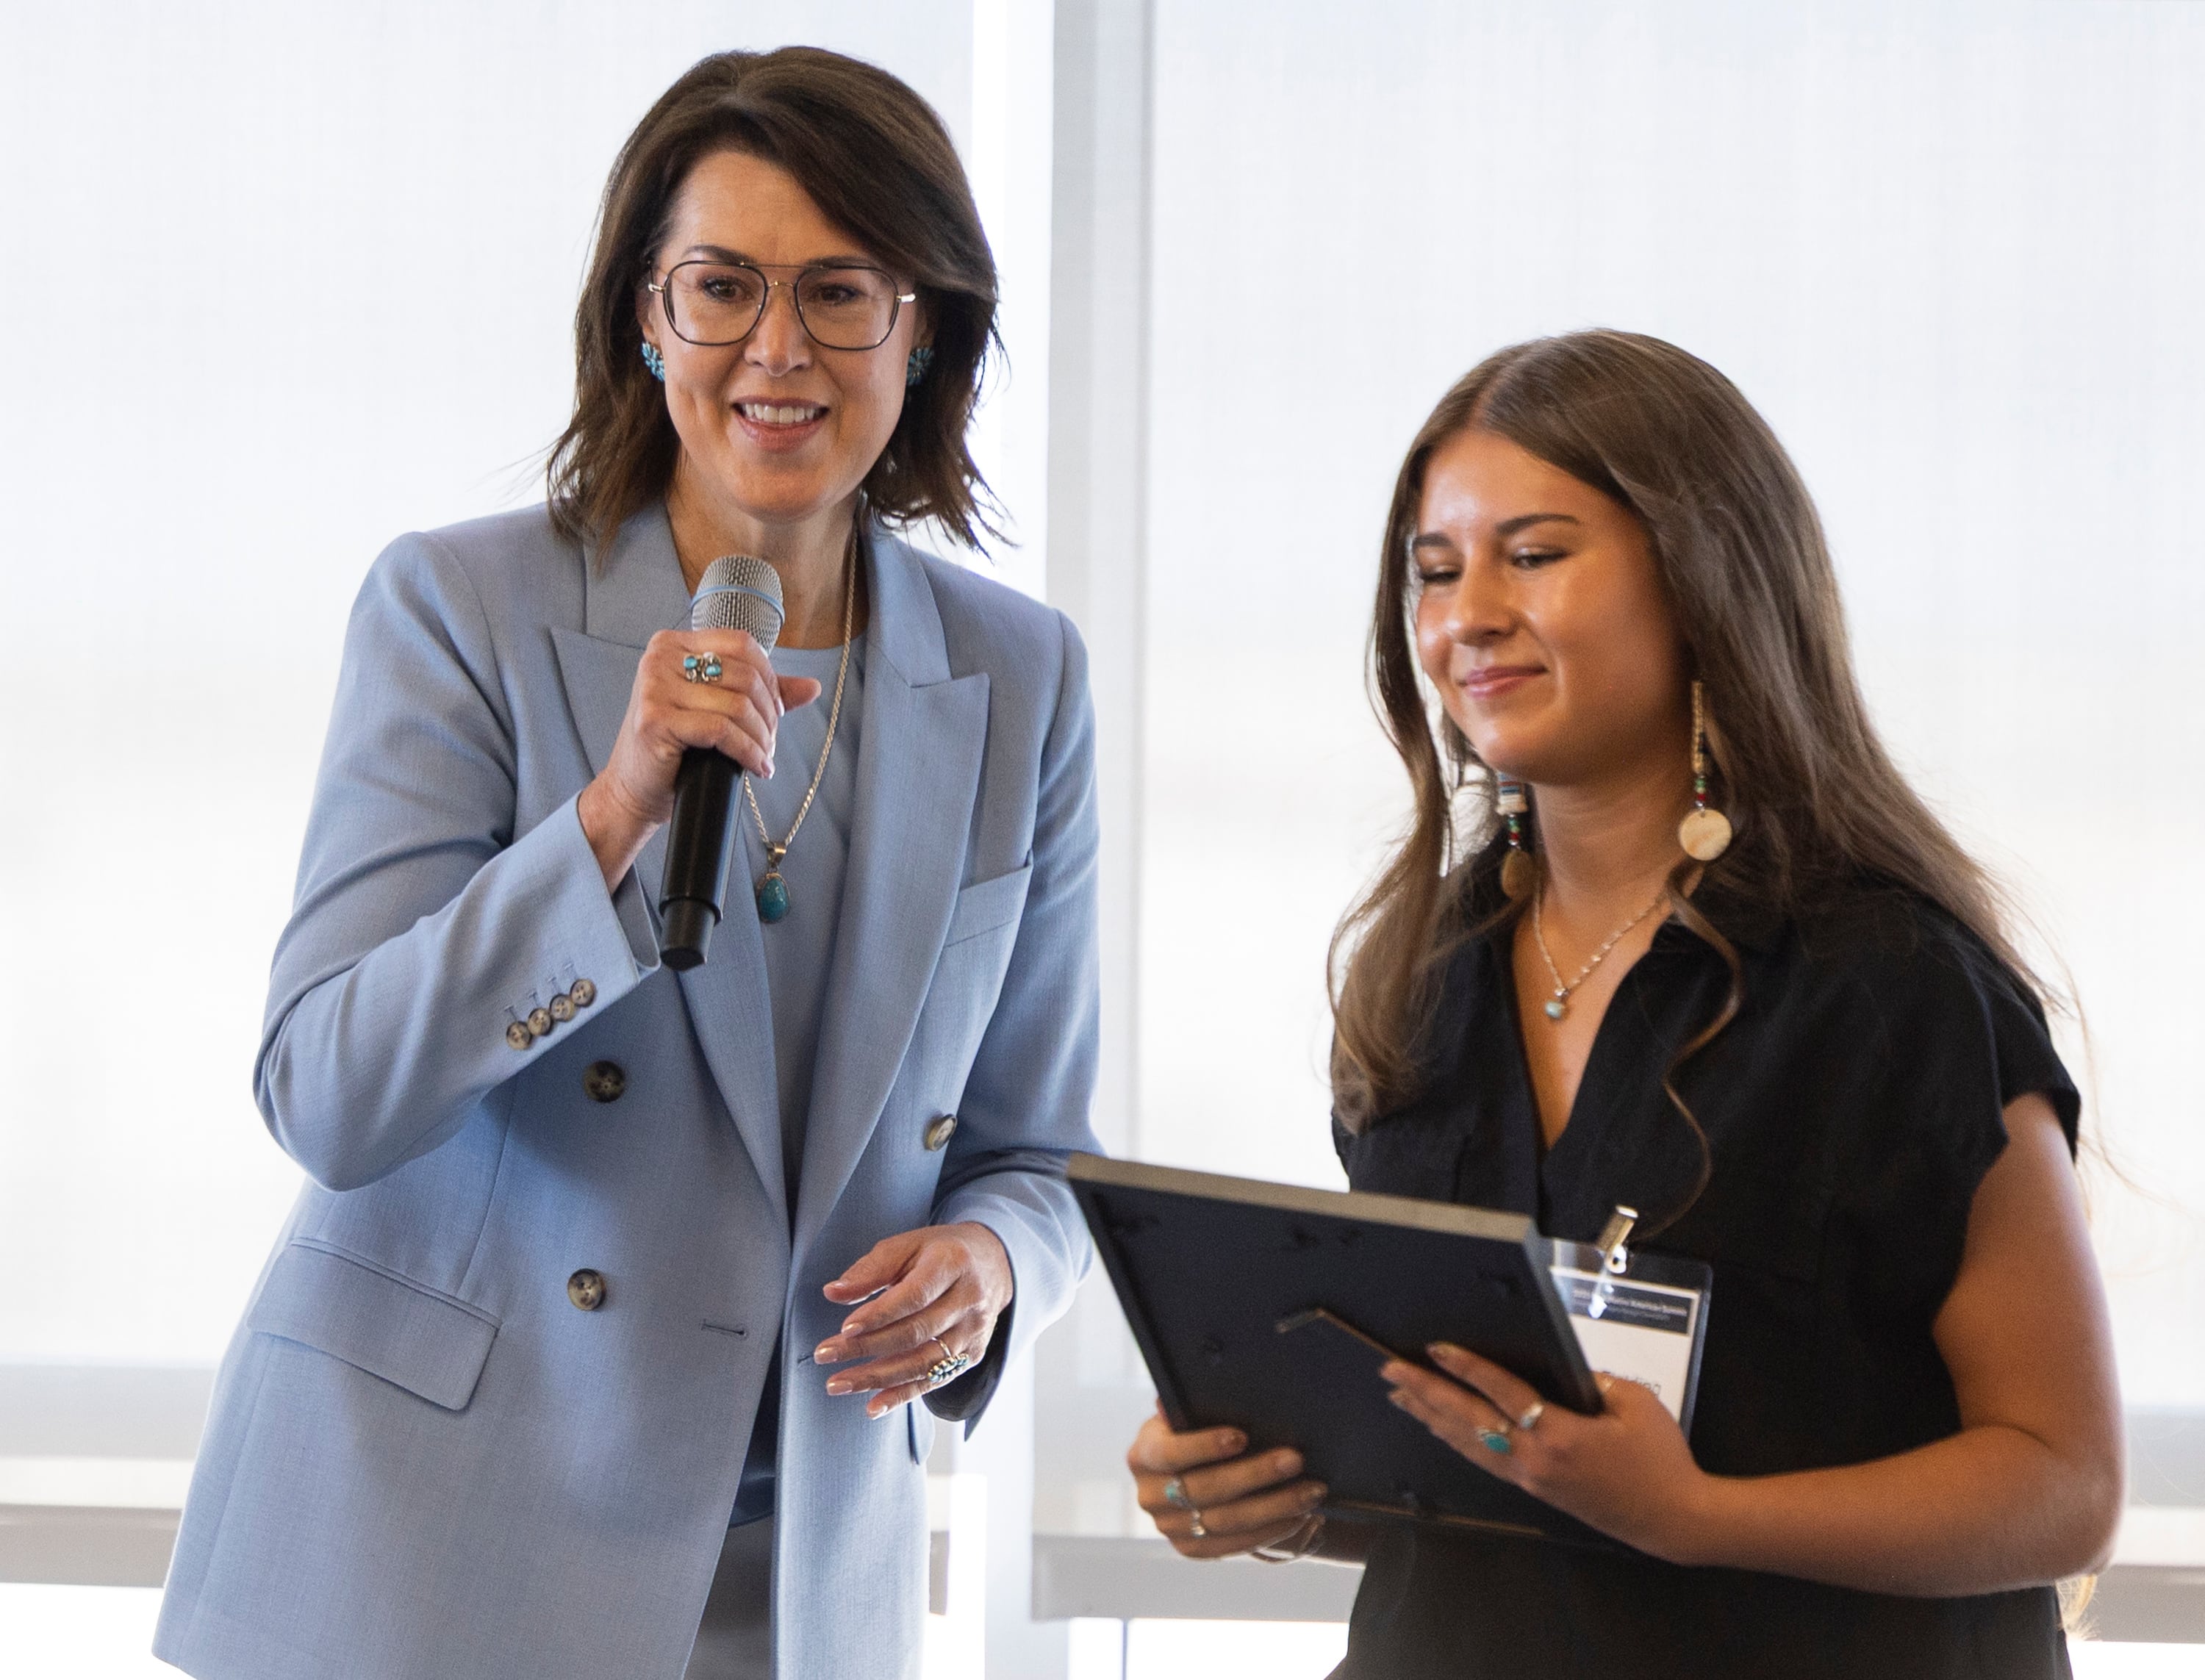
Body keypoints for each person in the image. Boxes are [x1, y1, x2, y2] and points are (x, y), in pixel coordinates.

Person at [155, 48, 1100, 1680]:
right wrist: (605, 826)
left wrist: (995, 1260)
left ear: (926, 326)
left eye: (841, 292)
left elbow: (1042, 1154)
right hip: (428, 1547)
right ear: (644, 317)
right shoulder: (463, 611)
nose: (778, 351)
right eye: (722, 286)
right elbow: (327, 1092)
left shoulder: (1022, 679)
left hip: (795, 1571)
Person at [1125, 331, 2122, 1678]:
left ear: (1702, 575)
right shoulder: (1423, 976)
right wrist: (1281, 1487)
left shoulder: (1894, 984)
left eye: (1532, 554)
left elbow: (2062, 1483)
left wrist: (1699, 1517)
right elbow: (1486, 1457)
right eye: (1435, 570)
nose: (1468, 611)